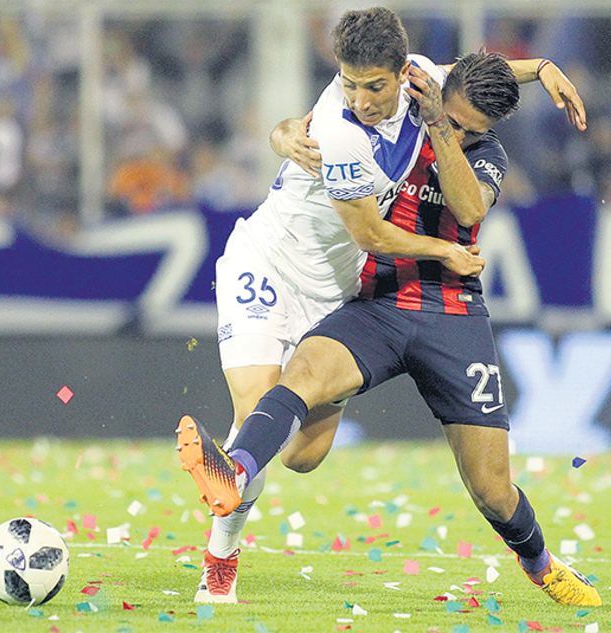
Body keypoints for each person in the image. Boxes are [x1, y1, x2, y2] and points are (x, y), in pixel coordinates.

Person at [176, 6, 587, 605]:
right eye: (450, 116)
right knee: (286, 385)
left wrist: (541, 69)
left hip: (447, 313)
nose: (455, 126)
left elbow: (469, 208)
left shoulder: (473, 143)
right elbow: (366, 225)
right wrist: (285, 131)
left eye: (471, 127)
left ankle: (541, 562)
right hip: (361, 293)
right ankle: (227, 513)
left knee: (480, 488)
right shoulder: (374, 112)